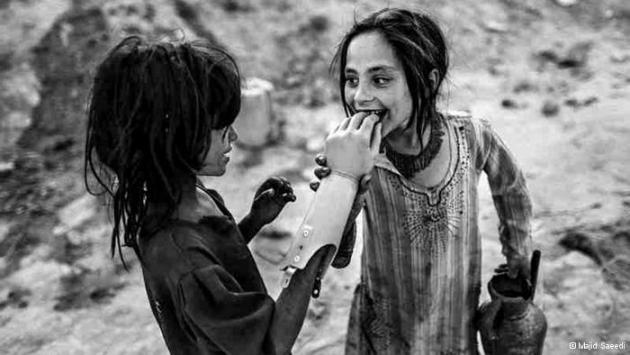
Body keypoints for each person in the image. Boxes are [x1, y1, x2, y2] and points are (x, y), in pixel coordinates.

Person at [84, 36, 381, 355]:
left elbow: (215, 264)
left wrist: (253, 222)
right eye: (222, 129)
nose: (234, 137)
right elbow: (272, 343)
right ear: (178, 135)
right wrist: (316, 243)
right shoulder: (184, 262)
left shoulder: (191, 199)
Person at [311, 8, 533, 354]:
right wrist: (343, 187)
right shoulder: (357, 153)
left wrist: (518, 251)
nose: (359, 97)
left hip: (454, 317)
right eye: (352, 79)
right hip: (387, 323)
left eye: (380, 79)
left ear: (427, 82)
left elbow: (511, 185)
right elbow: (337, 258)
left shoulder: (471, 136)